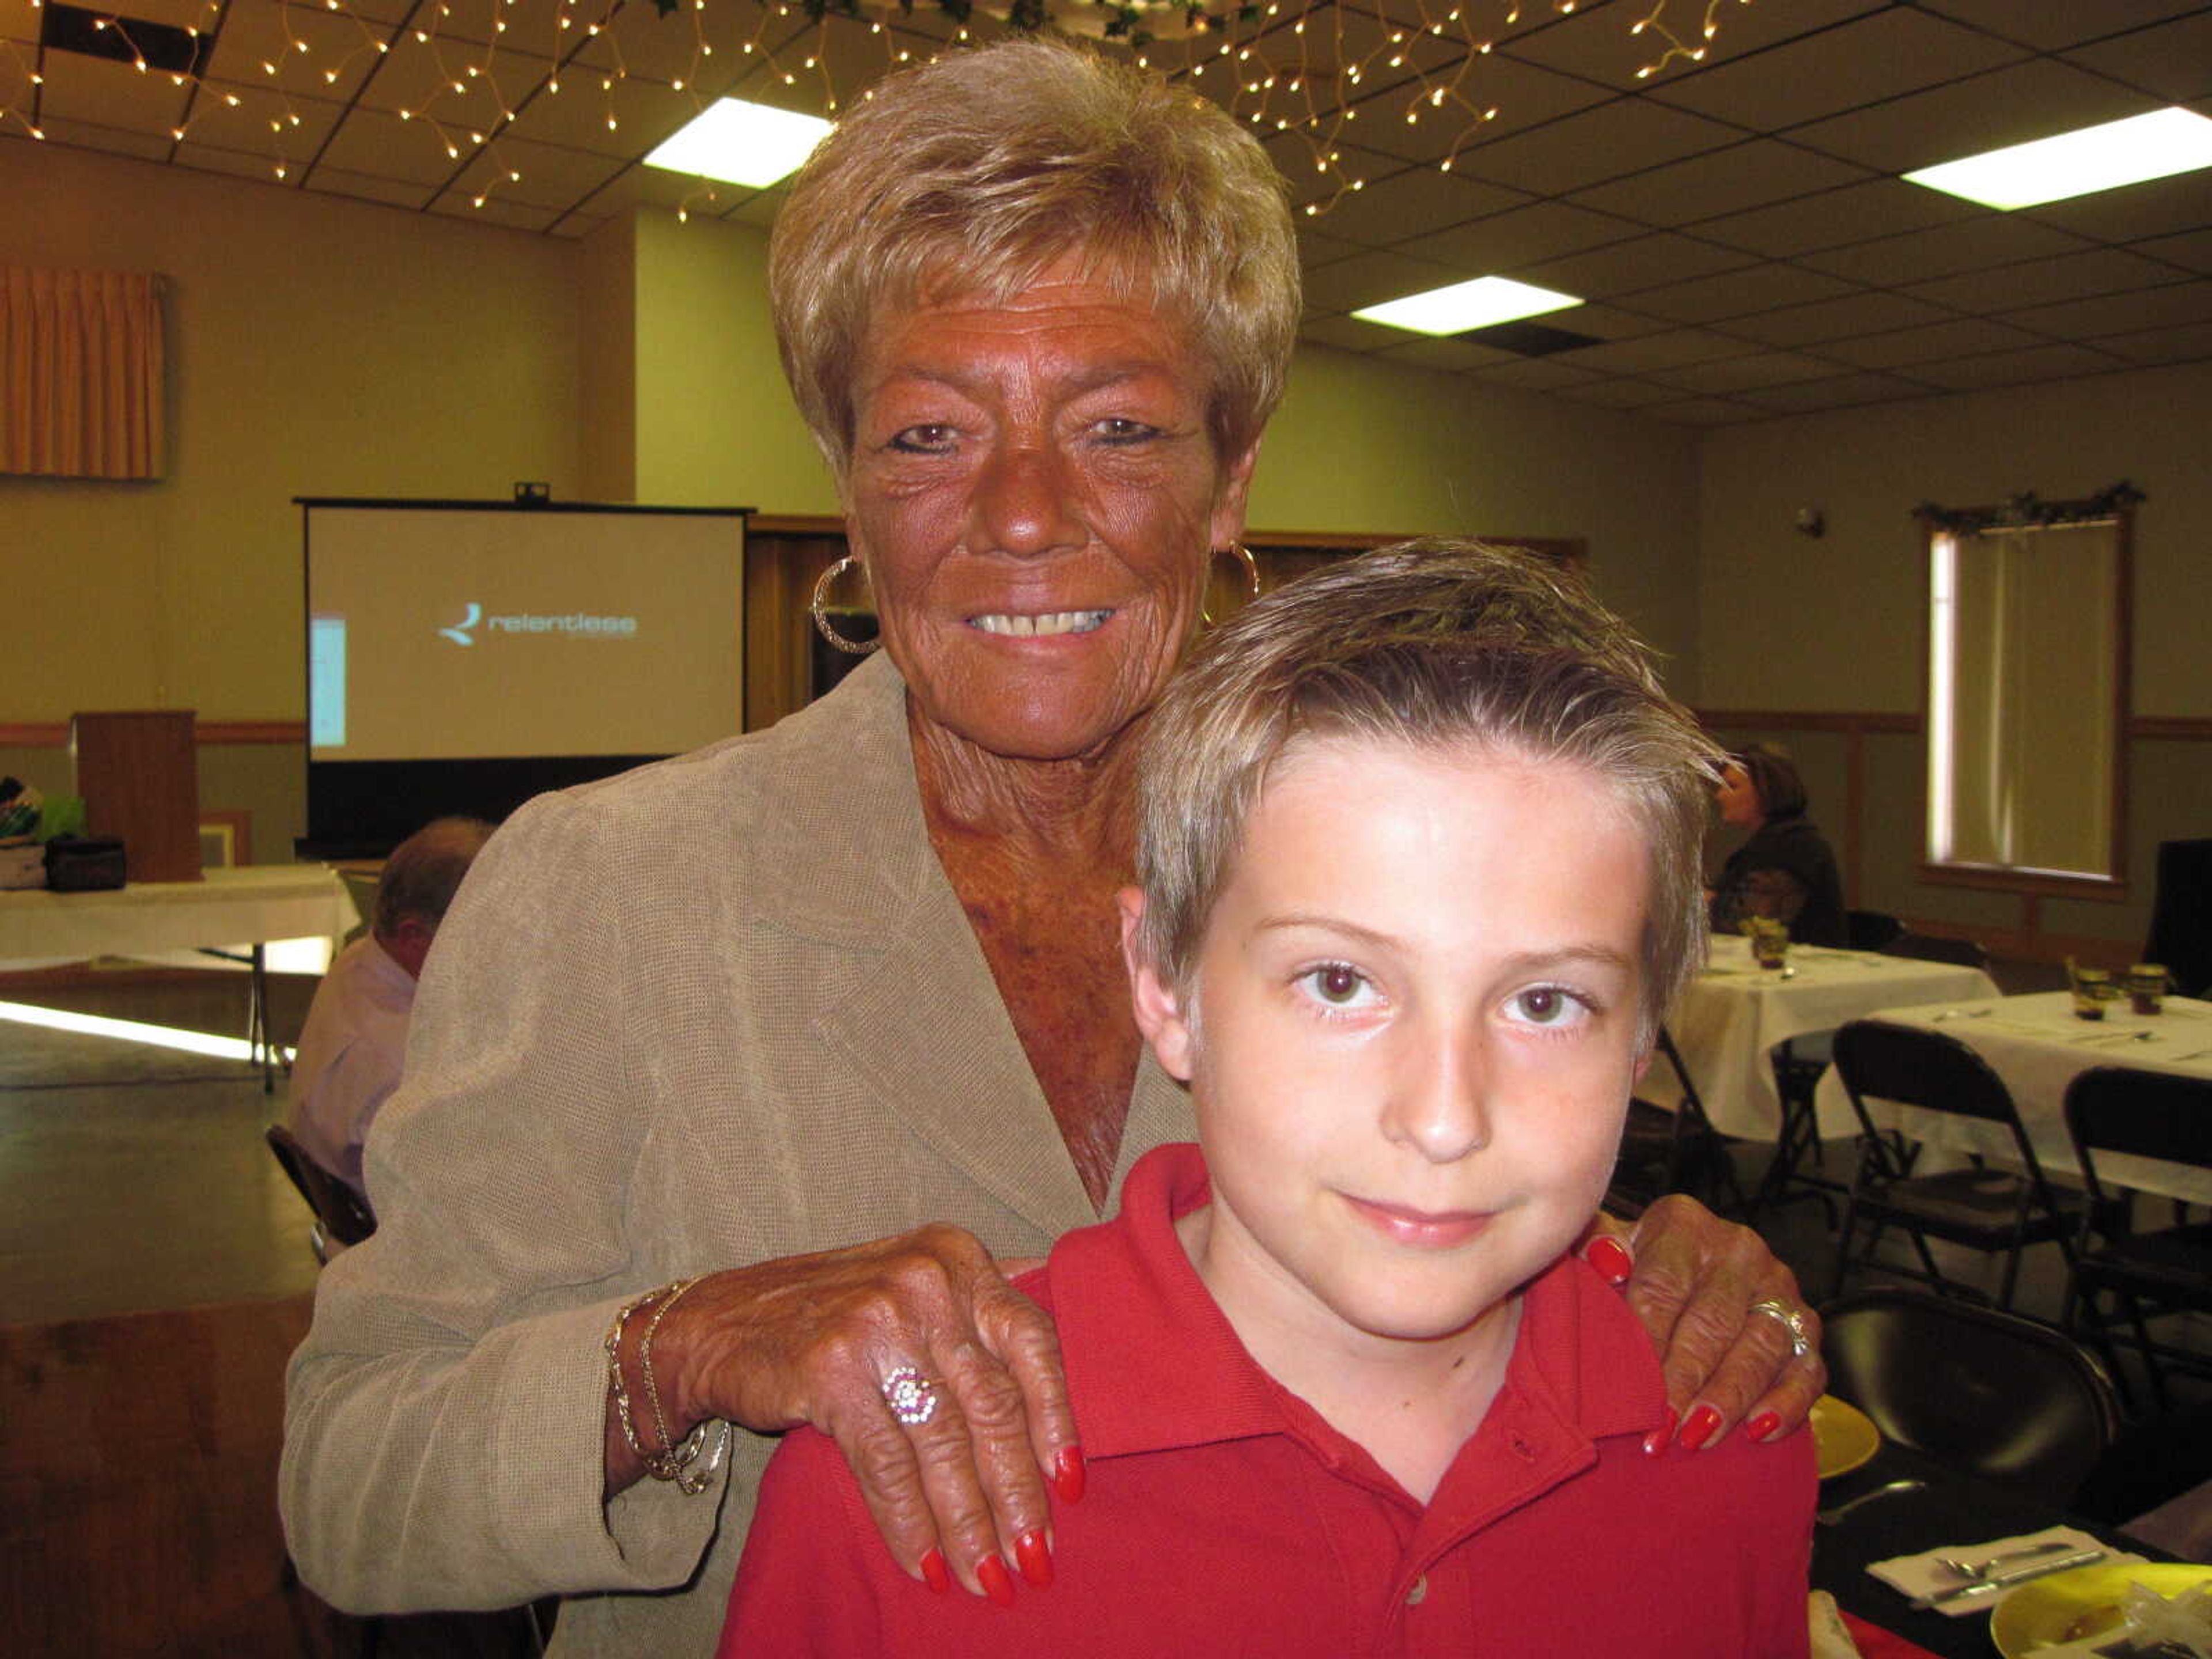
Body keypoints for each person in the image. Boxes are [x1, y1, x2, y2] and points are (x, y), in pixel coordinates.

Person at [280, 41, 1824, 1654]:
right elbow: (347, 1479)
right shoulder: (607, 891)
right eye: (931, 437)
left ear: (1234, 478)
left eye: (1120, 431)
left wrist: (1636, 1270)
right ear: (849, 490)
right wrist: (677, 1351)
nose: (1021, 515)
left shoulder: (1354, 872)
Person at [719, 541, 1817, 1652]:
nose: (1443, 1120)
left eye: (1544, 1003)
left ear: (1642, 1036)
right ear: (1163, 982)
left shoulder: (1733, 1436)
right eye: (1340, 983)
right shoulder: (900, 1482)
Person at [285, 816, 493, 1200]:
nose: (498, 947)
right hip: (404, 1234)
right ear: (414, 936)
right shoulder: (399, 1065)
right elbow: (472, 1196)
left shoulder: (358, 960)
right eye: (484, 932)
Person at [1709, 744, 1846, 948]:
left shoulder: (1793, 848)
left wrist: (1704, 902)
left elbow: (1754, 922)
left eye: (1732, 786)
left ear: (1766, 792)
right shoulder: (1769, 843)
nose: (1719, 795)